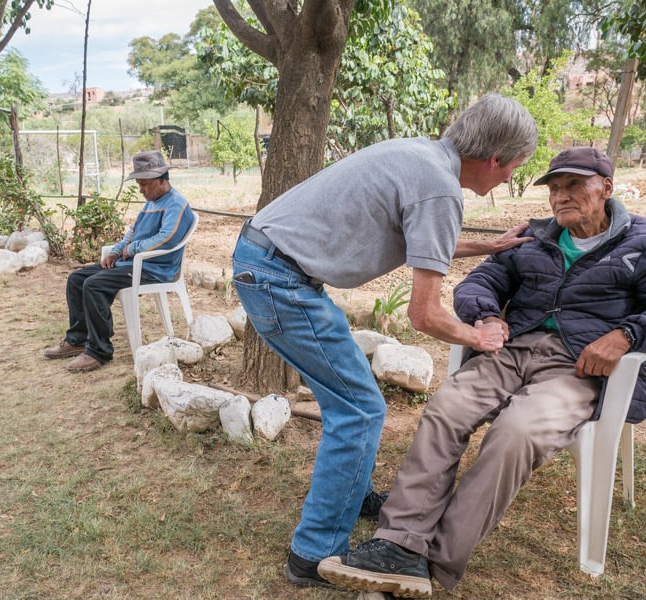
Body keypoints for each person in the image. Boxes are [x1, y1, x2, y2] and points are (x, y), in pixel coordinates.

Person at [317, 146, 646, 597]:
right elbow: (480, 282)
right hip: (513, 349)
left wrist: (626, 335)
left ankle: (433, 562)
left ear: (606, 188)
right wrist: (488, 315)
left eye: (574, 186)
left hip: (582, 367)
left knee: (517, 432)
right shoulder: (535, 237)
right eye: (554, 188)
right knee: (445, 408)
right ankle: (397, 544)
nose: (561, 197)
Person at [230, 93, 539, 588]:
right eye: (513, 169)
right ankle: (313, 554)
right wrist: (476, 335)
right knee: (361, 408)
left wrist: (489, 245)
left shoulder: (422, 155)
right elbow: (424, 315)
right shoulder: (441, 188)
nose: (508, 180)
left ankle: (349, 496)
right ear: (494, 158)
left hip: (267, 264)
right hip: (279, 282)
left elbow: (425, 238)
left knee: (348, 402)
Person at [44, 150, 196, 372]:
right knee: (77, 278)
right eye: (139, 185)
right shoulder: (150, 204)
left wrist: (131, 249)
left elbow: (166, 239)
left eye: (145, 184)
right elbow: (131, 233)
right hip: (132, 264)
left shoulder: (177, 204)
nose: (141, 190)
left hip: (155, 269)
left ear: (162, 180)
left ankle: (98, 351)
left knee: (94, 285)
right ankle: (77, 339)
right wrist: (116, 251)